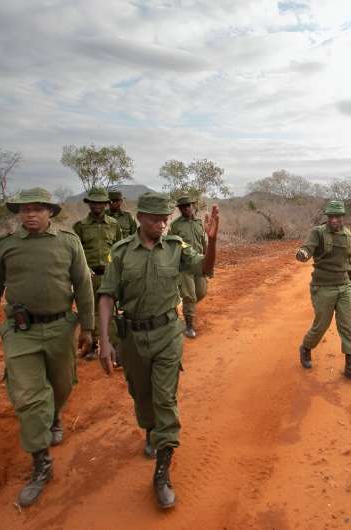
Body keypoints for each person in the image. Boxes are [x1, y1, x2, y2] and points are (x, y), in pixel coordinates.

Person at [0, 188, 94, 507]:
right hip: (21, 332)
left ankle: (54, 417)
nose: (30, 214)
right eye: (25, 209)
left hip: (61, 328)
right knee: (27, 396)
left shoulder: (68, 242)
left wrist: (89, 328)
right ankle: (41, 465)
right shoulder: (6, 247)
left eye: (38, 209)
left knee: (62, 385)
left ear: (50, 212)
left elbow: (83, 284)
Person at [96, 192, 219, 509]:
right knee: (142, 394)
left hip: (167, 334)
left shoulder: (176, 247)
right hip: (133, 338)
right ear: (140, 218)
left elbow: (203, 268)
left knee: (165, 397)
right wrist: (105, 341)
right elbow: (107, 296)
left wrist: (212, 241)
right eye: (155, 219)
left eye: (165, 219)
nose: (162, 224)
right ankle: (151, 430)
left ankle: (162, 472)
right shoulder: (121, 253)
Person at [296, 200, 351, 384]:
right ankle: (306, 348)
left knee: (349, 328)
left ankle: (350, 368)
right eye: (331, 217)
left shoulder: (348, 236)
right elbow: (307, 248)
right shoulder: (318, 232)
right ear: (327, 217)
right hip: (323, 287)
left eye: (338, 217)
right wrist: (303, 253)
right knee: (321, 326)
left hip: (344, 286)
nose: (334, 220)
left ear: (343, 217)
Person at [72, 187, 122, 360]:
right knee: (90, 310)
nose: (97, 206)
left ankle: (115, 347)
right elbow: (75, 253)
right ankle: (92, 345)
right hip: (89, 277)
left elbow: (119, 250)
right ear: (89, 204)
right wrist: (83, 269)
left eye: (101, 203)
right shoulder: (80, 227)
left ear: (106, 204)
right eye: (94, 202)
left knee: (113, 310)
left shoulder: (114, 225)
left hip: (109, 275)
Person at [168, 196, 211, 338]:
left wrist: (207, 265)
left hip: (198, 264)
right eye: (183, 207)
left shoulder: (199, 223)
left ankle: (187, 308)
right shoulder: (175, 226)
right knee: (189, 296)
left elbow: (204, 244)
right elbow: (171, 246)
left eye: (188, 206)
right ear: (179, 209)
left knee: (201, 292)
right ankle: (188, 326)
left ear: (193, 206)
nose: (186, 208)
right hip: (184, 266)